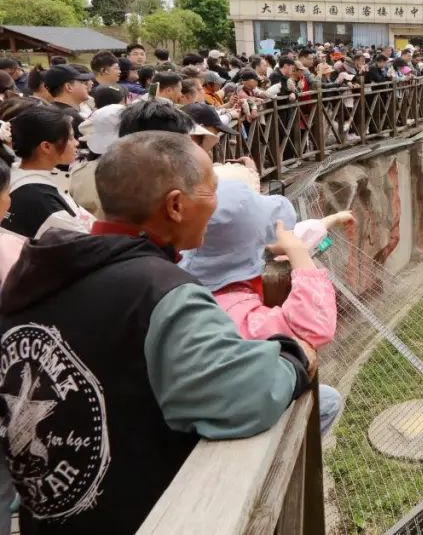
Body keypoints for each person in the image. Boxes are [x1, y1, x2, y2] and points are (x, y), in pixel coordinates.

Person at [0, 132, 315, 532]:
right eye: (212, 189)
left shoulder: (36, 274)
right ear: (176, 205)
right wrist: (293, 356)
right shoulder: (162, 292)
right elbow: (246, 395)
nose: (215, 203)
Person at [178, 180, 351, 435]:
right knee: (327, 401)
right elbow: (313, 327)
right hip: (232, 424)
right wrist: (298, 252)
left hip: (208, 405)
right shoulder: (234, 312)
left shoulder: (185, 283)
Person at [3, 106, 94, 239]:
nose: (76, 143)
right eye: (71, 138)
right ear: (46, 146)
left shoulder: (13, 173)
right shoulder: (42, 200)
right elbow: (85, 244)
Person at [43, 65, 93, 137]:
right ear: (69, 87)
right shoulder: (70, 116)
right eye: (82, 83)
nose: (86, 86)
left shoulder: (49, 110)